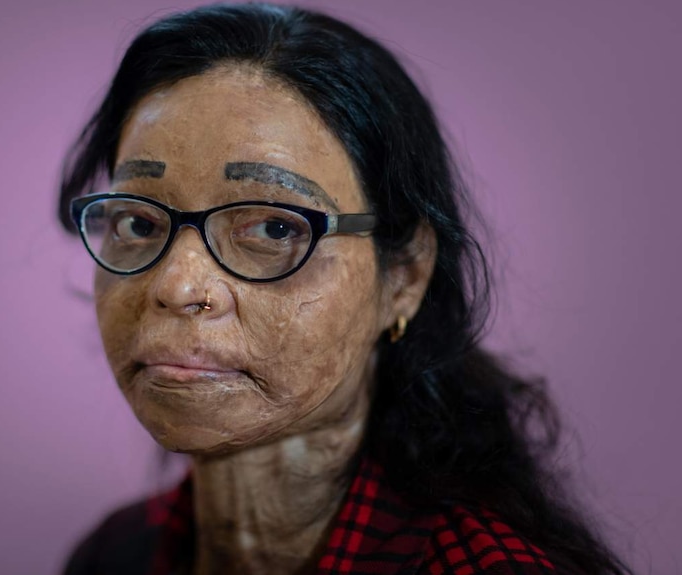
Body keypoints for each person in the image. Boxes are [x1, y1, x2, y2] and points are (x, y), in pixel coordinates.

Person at [56, 4, 631, 574]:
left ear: (404, 278)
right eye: (138, 223)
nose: (177, 284)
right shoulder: (117, 553)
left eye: (276, 228)